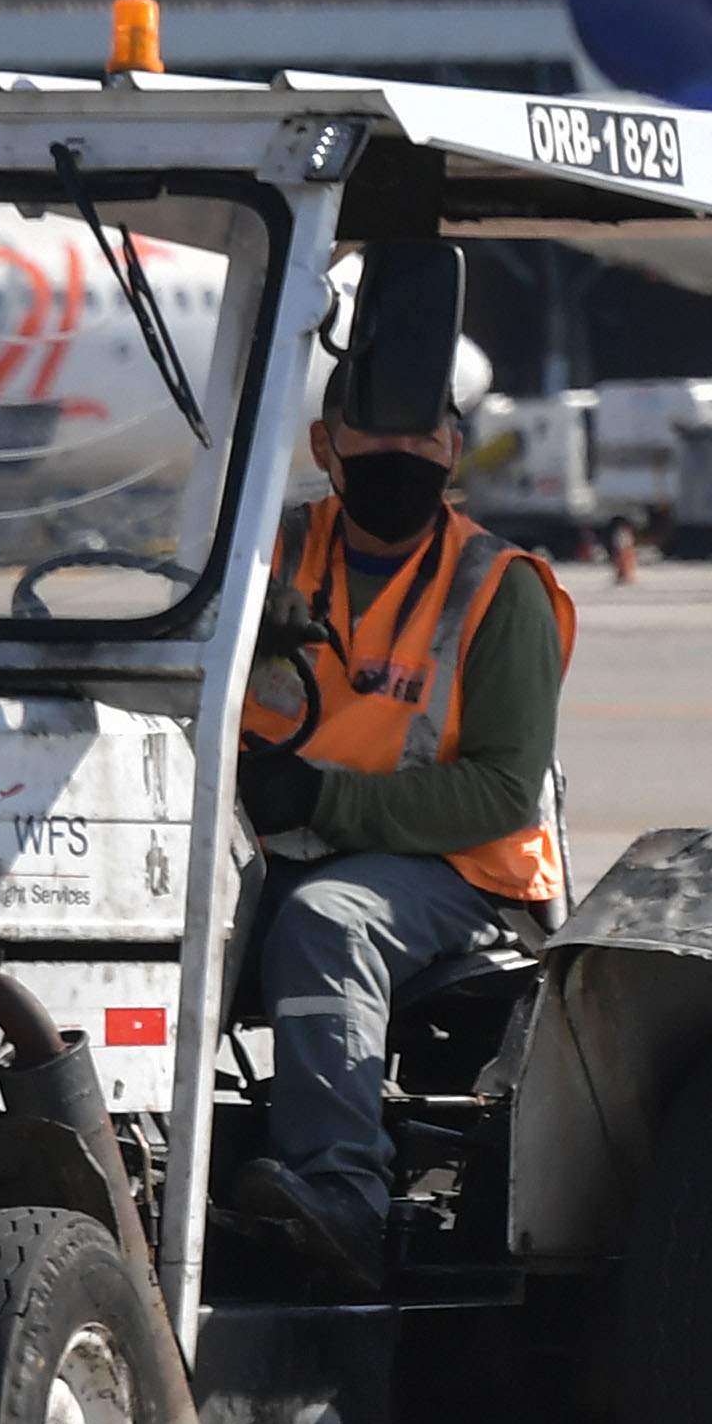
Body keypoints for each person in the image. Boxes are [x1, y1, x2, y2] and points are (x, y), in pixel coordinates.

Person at [219, 244, 572, 1292]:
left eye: (420, 436)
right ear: (327, 444)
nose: (396, 453)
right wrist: (239, 628)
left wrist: (324, 798)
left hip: (464, 873)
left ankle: (342, 1191)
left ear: (453, 448)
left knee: (326, 920)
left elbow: (503, 793)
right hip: (278, 841)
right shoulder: (263, 556)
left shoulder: (499, 589)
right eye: (372, 434)